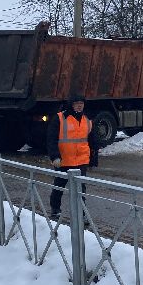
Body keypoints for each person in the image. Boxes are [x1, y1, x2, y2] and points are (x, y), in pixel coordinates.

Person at [47, 92, 99, 222]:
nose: (79, 106)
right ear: (71, 105)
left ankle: (81, 214)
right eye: (76, 104)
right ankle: (55, 209)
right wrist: (55, 157)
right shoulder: (60, 118)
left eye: (81, 104)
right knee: (59, 187)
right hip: (63, 161)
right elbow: (51, 139)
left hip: (81, 161)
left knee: (80, 190)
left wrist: (93, 158)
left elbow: (92, 141)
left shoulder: (87, 120)